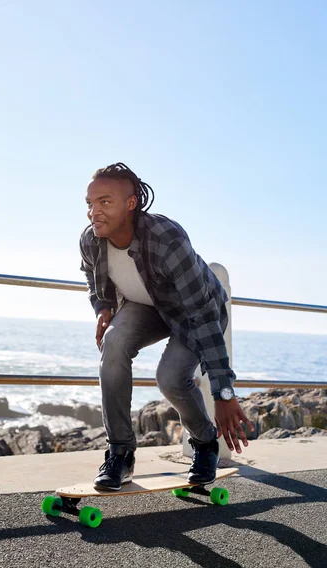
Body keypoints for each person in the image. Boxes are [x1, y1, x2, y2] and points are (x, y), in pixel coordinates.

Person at [80, 162, 254, 491]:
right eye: (90, 203)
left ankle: (205, 444)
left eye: (105, 202)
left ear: (131, 204)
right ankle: (120, 453)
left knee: (171, 378)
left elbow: (202, 316)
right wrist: (102, 306)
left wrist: (224, 392)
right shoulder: (91, 240)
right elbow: (90, 275)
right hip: (147, 306)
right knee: (113, 343)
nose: (94, 212)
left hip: (196, 310)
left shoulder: (165, 239)